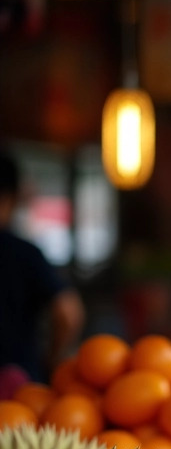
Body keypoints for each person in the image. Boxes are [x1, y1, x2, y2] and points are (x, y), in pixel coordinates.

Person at [0, 149, 84, 394]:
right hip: (18, 387)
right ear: (11, 198)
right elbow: (68, 312)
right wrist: (53, 359)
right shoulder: (22, 253)